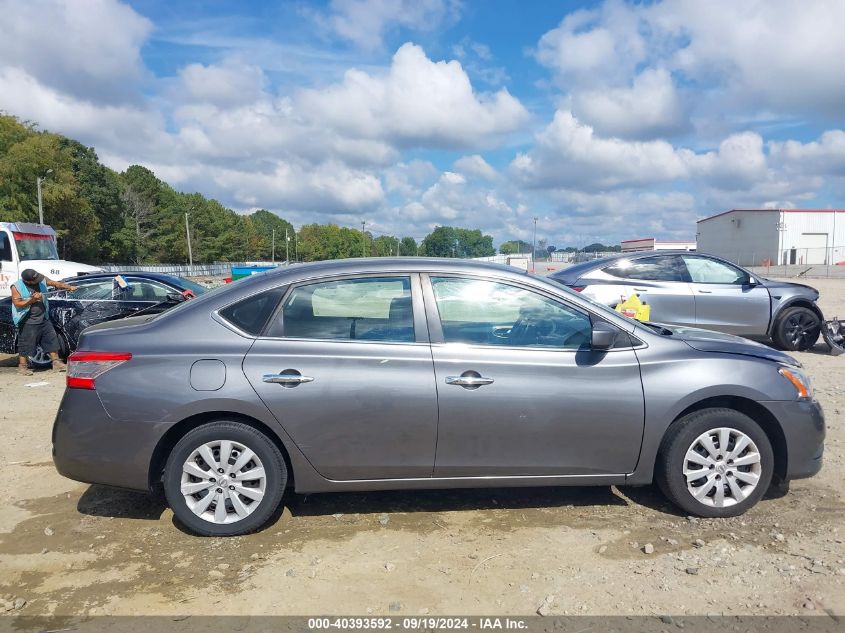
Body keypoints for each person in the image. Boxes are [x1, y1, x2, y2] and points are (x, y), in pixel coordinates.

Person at [10, 269, 78, 376]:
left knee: (51, 339)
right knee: (25, 344)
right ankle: (22, 367)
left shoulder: (40, 278)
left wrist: (68, 287)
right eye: (35, 280)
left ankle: (56, 363)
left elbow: (53, 283)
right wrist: (32, 300)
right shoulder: (16, 287)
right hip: (28, 320)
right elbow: (17, 303)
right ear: (28, 281)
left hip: (43, 317)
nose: (39, 280)